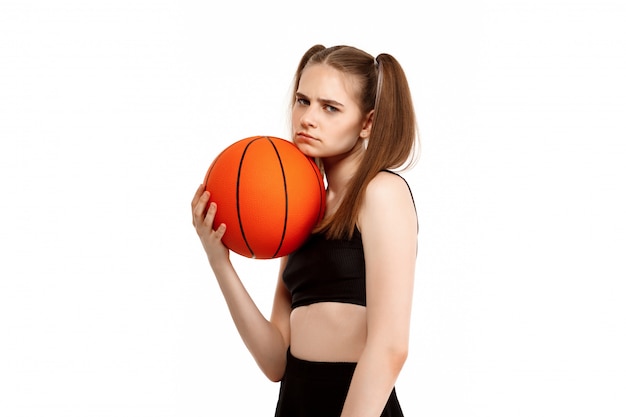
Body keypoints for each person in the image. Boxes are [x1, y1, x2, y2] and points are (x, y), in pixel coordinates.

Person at [191, 44, 419, 417]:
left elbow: (390, 346)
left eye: (330, 107)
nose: (307, 118)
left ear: (367, 123)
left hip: (357, 404)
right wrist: (220, 261)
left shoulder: (381, 193)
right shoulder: (303, 209)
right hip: (295, 402)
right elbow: (275, 360)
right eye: (303, 100)